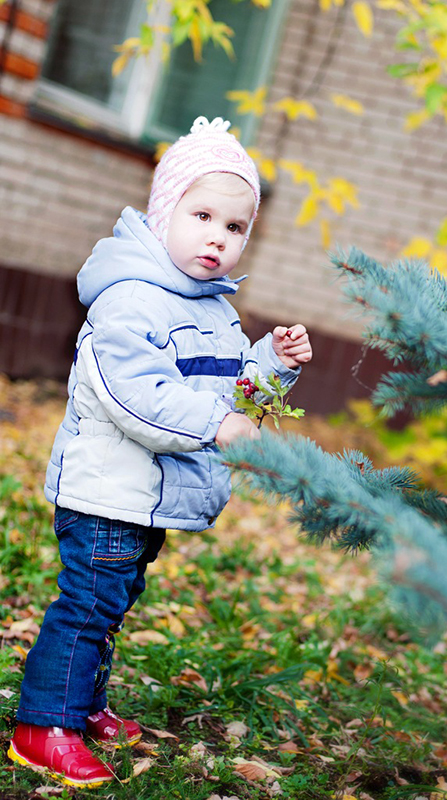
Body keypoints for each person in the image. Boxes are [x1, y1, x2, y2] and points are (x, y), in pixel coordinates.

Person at [8, 116, 312, 788]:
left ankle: (82, 706)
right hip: (107, 491)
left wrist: (271, 364)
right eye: (201, 214)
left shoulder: (211, 310)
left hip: (145, 498)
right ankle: (41, 726)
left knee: (111, 602)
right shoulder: (131, 300)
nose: (217, 236)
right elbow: (136, 397)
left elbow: (231, 393)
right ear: (162, 211)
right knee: (87, 604)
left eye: (234, 228)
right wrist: (217, 423)